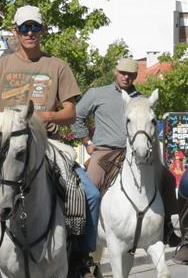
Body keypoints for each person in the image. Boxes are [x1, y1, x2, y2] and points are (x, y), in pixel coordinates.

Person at [0, 5, 104, 278]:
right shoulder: (1, 66)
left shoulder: (58, 66)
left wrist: (43, 116)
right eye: (24, 28)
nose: (29, 33)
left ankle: (82, 262)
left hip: (45, 143)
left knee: (89, 194)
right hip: (8, 146)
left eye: (34, 27)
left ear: (42, 30)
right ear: (15, 31)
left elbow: (70, 113)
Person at [73, 57, 180, 247]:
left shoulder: (142, 100)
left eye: (130, 74)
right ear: (115, 72)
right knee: (88, 189)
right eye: (122, 73)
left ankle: (167, 229)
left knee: (168, 179)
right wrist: (87, 142)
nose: (126, 77)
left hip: (135, 154)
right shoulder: (97, 94)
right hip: (104, 152)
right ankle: (80, 239)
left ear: (136, 76)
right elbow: (76, 116)